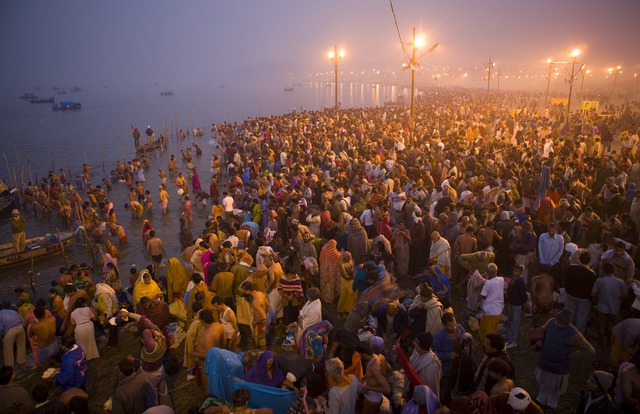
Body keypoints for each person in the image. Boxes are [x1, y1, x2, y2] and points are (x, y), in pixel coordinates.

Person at [534, 308, 595, 412]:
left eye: (560, 323)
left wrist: (572, 355)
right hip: (545, 360)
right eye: (556, 321)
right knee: (543, 383)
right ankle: (541, 399)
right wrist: (540, 339)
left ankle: (551, 405)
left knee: (556, 388)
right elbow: (543, 329)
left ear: (567, 324)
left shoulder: (574, 333)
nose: (556, 324)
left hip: (559, 366)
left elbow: (590, 350)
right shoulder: (551, 321)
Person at [120, 309, 172, 408]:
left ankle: (157, 410)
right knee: (164, 392)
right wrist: (128, 314)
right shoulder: (160, 338)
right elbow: (145, 321)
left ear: (145, 341)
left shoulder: (150, 349)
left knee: (153, 396)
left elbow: (145, 363)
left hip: (151, 375)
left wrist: (134, 361)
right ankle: (168, 408)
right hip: (161, 369)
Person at [592, 262, 627, 349]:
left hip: (602, 306)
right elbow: (625, 295)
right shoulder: (620, 282)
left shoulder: (600, 281)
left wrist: (598, 297)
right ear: (613, 271)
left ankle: (601, 345)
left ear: (604, 270)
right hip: (614, 307)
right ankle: (610, 344)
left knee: (602, 326)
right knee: (611, 325)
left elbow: (593, 293)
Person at [432, 311, 466, 403]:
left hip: (458, 368)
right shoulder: (438, 337)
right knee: (444, 391)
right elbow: (433, 355)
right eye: (451, 326)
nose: (454, 327)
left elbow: (465, 337)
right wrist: (448, 356)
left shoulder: (460, 329)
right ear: (443, 325)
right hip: (446, 371)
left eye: (454, 324)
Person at [563, 251, 597, 333]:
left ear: (580, 259)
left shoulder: (571, 268)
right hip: (584, 298)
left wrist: (567, 291)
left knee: (568, 314)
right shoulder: (592, 274)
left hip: (571, 294)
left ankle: (565, 331)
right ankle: (578, 335)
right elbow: (591, 288)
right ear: (589, 261)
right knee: (581, 317)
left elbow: (566, 281)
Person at [410, 332, 442, 398]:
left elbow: (431, 387)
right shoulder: (417, 352)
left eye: (416, 342)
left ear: (420, 345)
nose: (414, 343)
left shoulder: (432, 364)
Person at [479, 263, 504, 342]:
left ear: (489, 272)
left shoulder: (488, 283)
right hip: (498, 308)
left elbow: (483, 295)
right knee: (494, 327)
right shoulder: (501, 279)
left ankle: (487, 343)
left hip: (490, 309)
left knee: (487, 330)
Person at [506, 264, 527, 348]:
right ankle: (508, 338)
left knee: (514, 322)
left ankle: (512, 341)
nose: (515, 272)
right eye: (514, 270)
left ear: (521, 272)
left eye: (517, 271)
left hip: (517, 305)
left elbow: (524, 295)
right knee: (510, 320)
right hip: (512, 302)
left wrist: (522, 302)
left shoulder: (521, 282)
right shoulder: (514, 280)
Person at [0, 304, 26, 369]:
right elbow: (23, 321)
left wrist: (1, 337)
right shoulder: (12, 311)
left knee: (8, 351)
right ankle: (21, 363)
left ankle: (9, 368)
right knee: (21, 347)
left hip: (9, 331)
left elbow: (1, 329)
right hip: (20, 327)